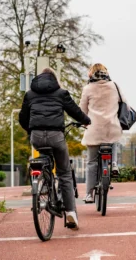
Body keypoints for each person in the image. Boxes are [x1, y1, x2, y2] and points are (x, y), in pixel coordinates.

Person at [18, 67, 91, 230]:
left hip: (36, 137)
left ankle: (43, 183)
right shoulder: (61, 93)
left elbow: (22, 117)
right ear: (54, 79)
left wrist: (31, 130)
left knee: (43, 160)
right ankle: (70, 212)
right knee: (64, 173)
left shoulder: (30, 94)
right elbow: (75, 111)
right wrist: (86, 120)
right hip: (56, 137)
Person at [79, 63, 130, 203]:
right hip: (112, 127)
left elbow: (82, 111)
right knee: (113, 139)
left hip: (94, 130)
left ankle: (89, 194)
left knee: (91, 162)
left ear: (91, 74)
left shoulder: (88, 89)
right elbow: (125, 103)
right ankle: (113, 163)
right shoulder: (114, 86)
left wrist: (83, 123)